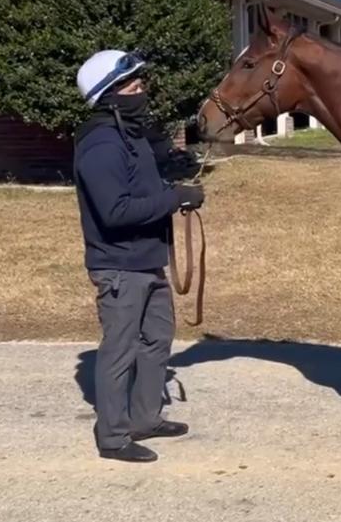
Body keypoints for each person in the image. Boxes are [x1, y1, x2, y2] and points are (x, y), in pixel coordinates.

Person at [72, 49, 205, 463]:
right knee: (120, 349)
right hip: (118, 266)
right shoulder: (101, 145)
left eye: (139, 83)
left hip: (147, 259)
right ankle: (113, 437)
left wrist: (173, 176)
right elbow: (114, 211)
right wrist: (173, 198)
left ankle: (144, 418)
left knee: (157, 338)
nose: (141, 90)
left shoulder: (130, 136)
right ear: (110, 95)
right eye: (132, 86)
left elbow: (144, 185)